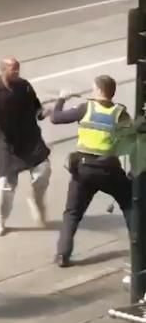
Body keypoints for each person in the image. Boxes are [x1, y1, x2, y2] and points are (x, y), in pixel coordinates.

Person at [50, 75, 132, 267]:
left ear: (99, 90)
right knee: (130, 205)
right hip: (109, 170)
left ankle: (63, 255)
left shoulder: (86, 108)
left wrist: (62, 98)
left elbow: (56, 117)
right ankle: (139, 250)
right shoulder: (120, 113)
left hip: (84, 170)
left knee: (72, 212)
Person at [0, 58, 51, 236]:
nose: (16, 73)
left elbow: (36, 108)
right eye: (12, 70)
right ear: (3, 70)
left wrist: (42, 113)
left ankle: (37, 200)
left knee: (44, 170)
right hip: (6, 142)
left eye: (17, 70)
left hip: (29, 138)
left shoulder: (24, 86)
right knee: (6, 183)